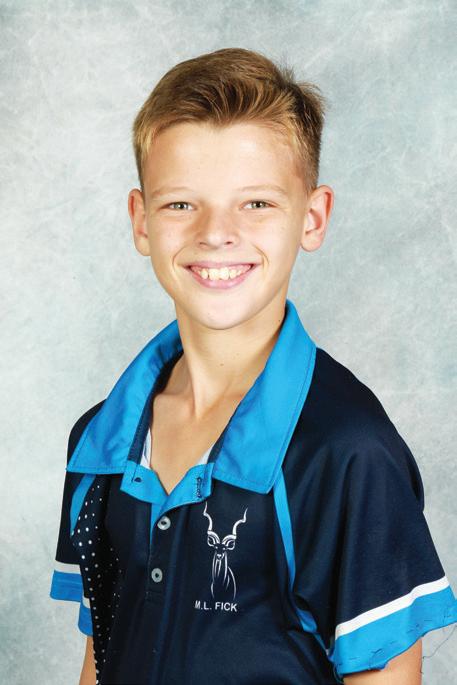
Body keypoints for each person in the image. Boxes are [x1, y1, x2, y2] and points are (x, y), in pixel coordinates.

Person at [49, 47, 457, 685]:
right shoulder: (99, 443)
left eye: (257, 204)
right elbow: (100, 654)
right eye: (181, 204)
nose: (216, 233)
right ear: (141, 221)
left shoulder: (348, 452)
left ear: (312, 218)